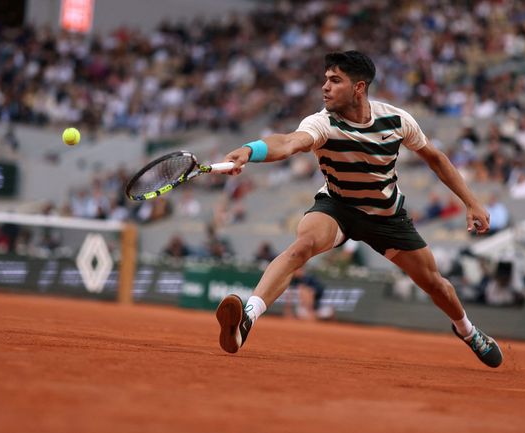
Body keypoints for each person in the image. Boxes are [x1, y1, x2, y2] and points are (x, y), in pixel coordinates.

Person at [214, 51, 502, 368]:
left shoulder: (397, 120)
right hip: (337, 206)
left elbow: (436, 159)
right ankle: (247, 319)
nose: (325, 87)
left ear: (358, 88)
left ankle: (468, 330)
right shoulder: (321, 123)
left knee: (435, 283)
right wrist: (249, 150)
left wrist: (472, 202)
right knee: (301, 247)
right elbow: (288, 143)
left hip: (385, 216)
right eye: (325, 79)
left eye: (335, 80)